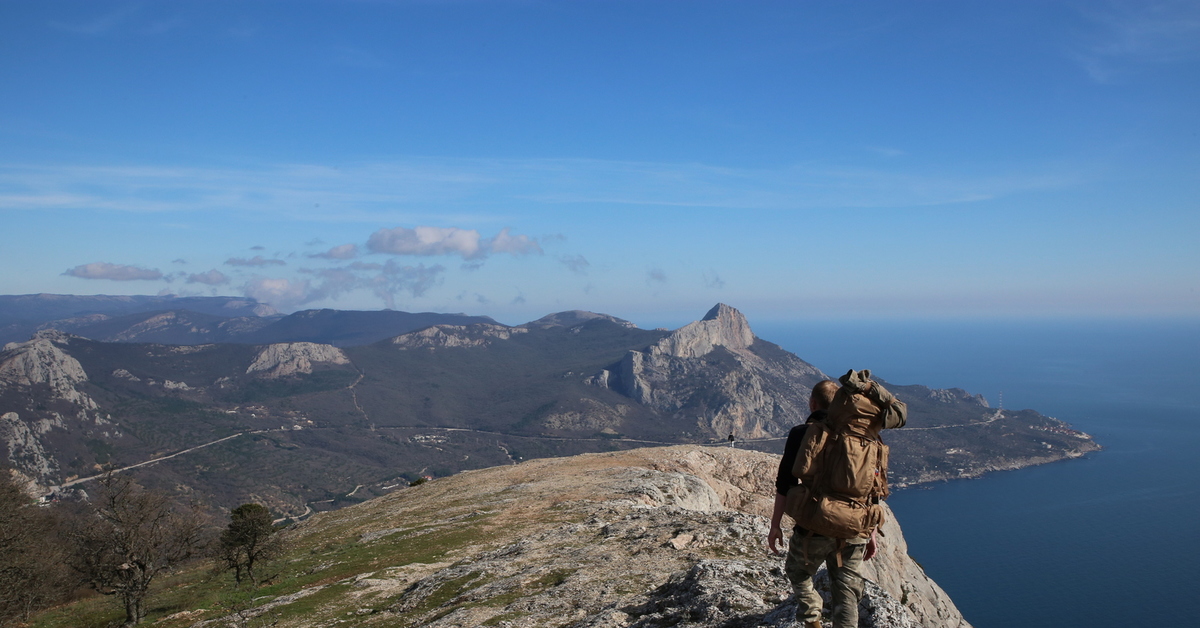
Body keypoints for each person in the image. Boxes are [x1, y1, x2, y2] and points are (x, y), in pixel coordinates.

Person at [767, 374, 904, 628]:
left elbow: (784, 484)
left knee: (797, 573)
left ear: (813, 404)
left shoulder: (802, 434)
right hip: (855, 529)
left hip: (814, 526)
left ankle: (813, 620)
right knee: (847, 592)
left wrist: (775, 525)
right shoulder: (868, 439)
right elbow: (871, 489)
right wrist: (870, 533)